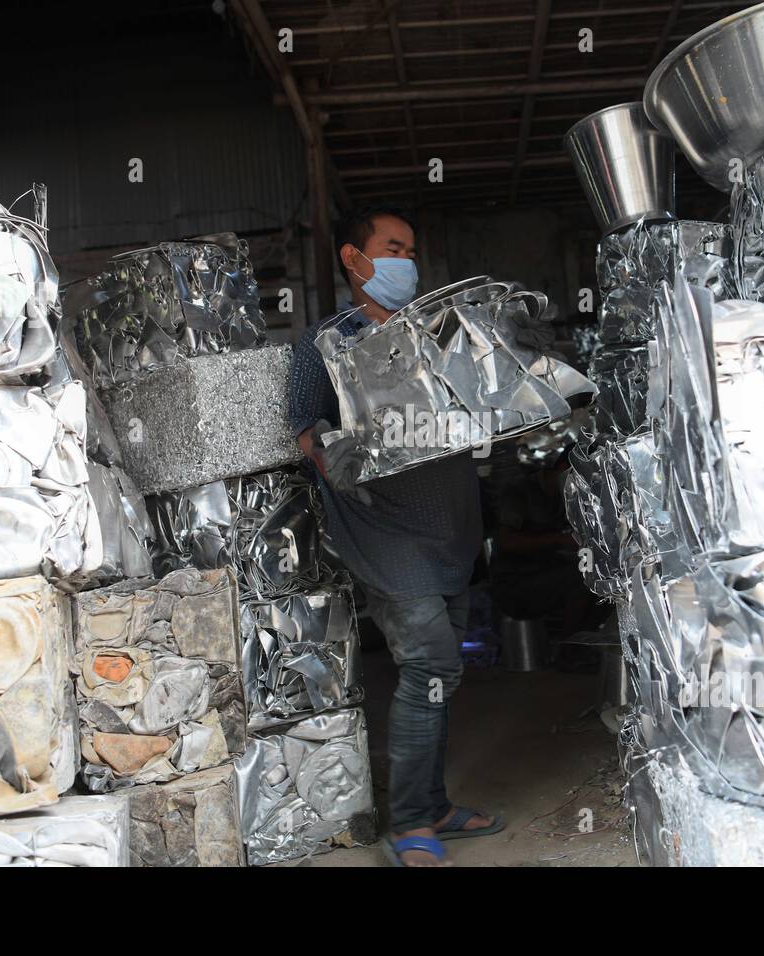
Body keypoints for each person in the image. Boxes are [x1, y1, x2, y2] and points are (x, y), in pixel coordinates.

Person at [287, 205, 501, 867]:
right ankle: (411, 820)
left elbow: (479, 405)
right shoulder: (327, 344)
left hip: (451, 533)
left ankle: (432, 804)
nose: (407, 260)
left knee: (444, 672)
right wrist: (342, 459)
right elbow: (304, 430)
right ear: (355, 260)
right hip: (385, 535)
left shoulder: (436, 334)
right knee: (429, 664)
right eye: (393, 247)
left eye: (411, 249)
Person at [489, 448, 602, 640]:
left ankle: (583, 643)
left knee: (604, 580)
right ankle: (570, 650)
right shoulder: (520, 492)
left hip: (547, 574)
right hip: (514, 583)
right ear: (564, 467)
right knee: (582, 579)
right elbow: (506, 542)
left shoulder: (568, 496)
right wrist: (559, 541)